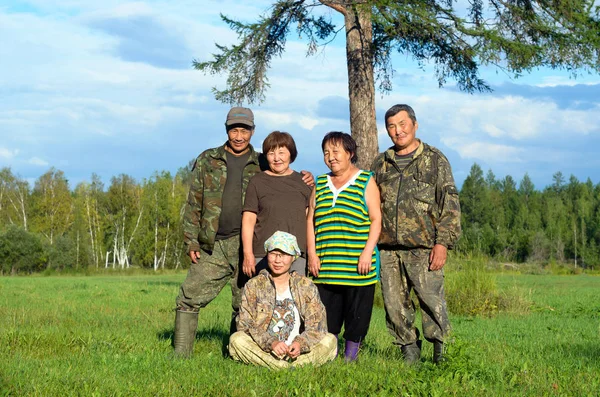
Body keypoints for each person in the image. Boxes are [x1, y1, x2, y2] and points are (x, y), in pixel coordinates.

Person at [174, 107, 313, 358]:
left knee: (246, 303)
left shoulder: (261, 161)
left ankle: (235, 354)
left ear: (253, 131)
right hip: (213, 243)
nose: (239, 136)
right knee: (190, 295)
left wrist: (308, 177)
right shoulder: (208, 159)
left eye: (245, 130)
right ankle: (180, 356)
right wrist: (191, 240)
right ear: (227, 130)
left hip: (253, 243)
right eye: (234, 130)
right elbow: (193, 202)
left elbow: (285, 176)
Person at [371, 104, 462, 364]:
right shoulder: (381, 163)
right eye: (391, 126)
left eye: (402, 124)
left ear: (414, 124)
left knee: (432, 302)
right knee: (394, 305)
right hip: (388, 250)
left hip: (424, 248)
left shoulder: (435, 159)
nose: (397, 131)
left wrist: (442, 243)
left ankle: (441, 355)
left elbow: (450, 205)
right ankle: (409, 354)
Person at [307, 131, 381, 362]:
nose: (331, 157)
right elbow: (310, 219)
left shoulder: (366, 180)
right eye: (326, 152)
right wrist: (312, 254)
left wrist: (367, 251)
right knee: (327, 317)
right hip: (326, 264)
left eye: (336, 151)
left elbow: (376, 219)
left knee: (357, 316)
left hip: (358, 264)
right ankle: (329, 356)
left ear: (350, 153)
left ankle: (350, 359)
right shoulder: (320, 182)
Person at [229, 231, 337, 369]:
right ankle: (284, 367)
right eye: (273, 254)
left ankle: (294, 365)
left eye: (284, 254)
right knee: (236, 340)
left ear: (293, 257)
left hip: (297, 352)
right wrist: (271, 343)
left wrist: (300, 344)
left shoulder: (306, 286)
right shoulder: (254, 285)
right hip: (265, 350)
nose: (277, 260)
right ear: (267, 254)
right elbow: (245, 324)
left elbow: (317, 326)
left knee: (330, 340)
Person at [241, 131, 312, 279]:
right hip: (264, 255)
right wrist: (248, 254)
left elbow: (309, 221)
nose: (277, 158)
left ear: (291, 155)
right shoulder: (257, 182)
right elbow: (248, 220)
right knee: (263, 300)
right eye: (271, 153)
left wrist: (312, 254)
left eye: (281, 152)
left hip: (297, 256)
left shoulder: (304, 182)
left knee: (295, 300)